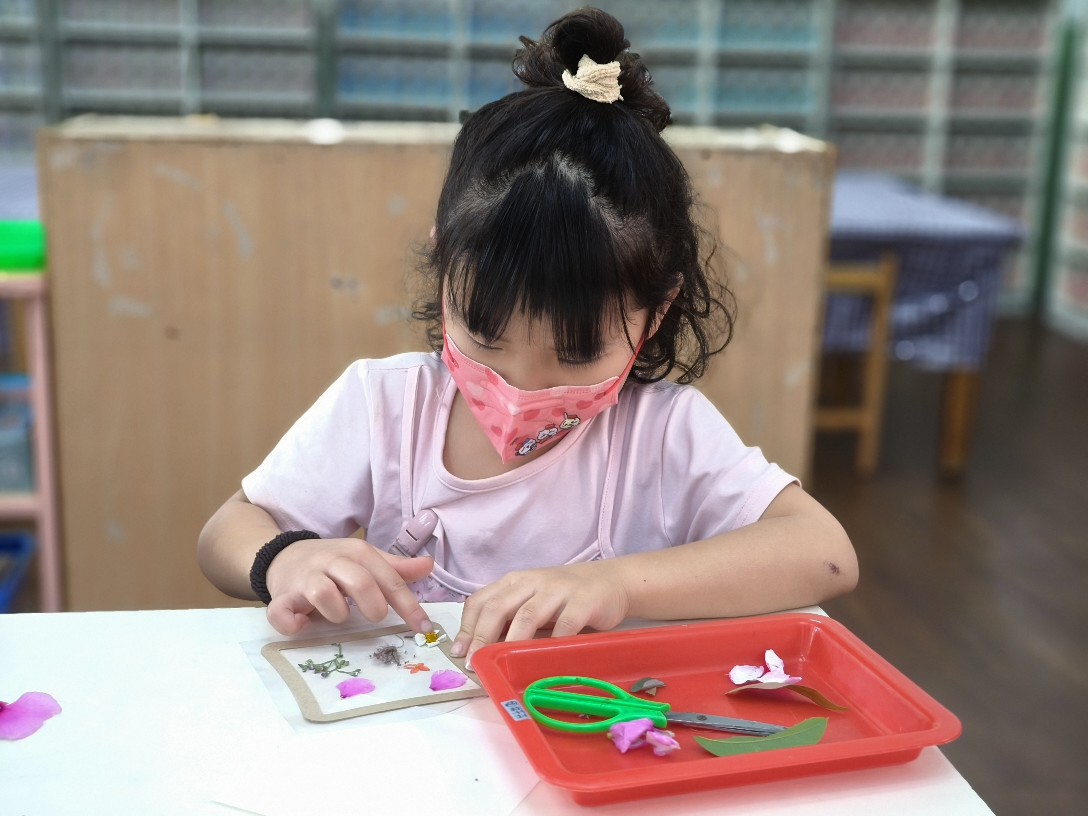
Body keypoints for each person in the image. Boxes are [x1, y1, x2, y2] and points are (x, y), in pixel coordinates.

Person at [197, 8, 857, 664]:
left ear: (657, 313)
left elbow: (825, 554)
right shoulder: (386, 405)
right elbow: (226, 532)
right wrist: (286, 559)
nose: (521, 386)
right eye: (486, 336)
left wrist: (616, 584)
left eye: (576, 353)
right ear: (445, 274)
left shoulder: (661, 434)